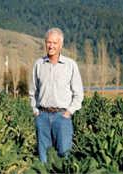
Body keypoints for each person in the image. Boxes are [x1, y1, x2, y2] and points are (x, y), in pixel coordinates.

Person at [29, 28, 84, 162]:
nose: (51, 46)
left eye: (54, 43)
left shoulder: (70, 65)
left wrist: (68, 113)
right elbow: (32, 92)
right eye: (48, 42)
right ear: (45, 43)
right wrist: (36, 112)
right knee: (43, 159)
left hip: (62, 118)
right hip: (42, 117)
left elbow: (78, 95)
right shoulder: (38, 64)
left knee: (64, 158)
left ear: (61, 45)